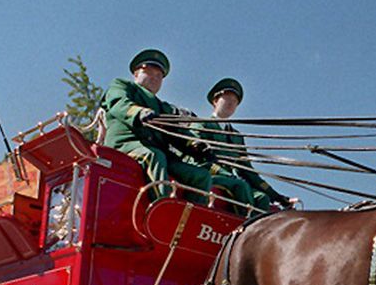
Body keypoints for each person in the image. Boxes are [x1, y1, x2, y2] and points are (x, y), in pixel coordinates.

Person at [100, 49, 213, 198]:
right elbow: (119, 104)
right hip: (126, 145)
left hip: (161, 155)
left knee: (201, 176)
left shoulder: (162, 107)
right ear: (136, 74)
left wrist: (194, 145)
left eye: (159, 76)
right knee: (154, 156)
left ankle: (191, 218)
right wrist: (138, 112)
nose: (154, 78)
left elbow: (177, 131)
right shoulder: (122, 86)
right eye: (150, 73)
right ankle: (161, 209)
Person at [192, 78, 292, 214]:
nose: (231, 103)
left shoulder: (237, 137)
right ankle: (243, 232)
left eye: (235, 101)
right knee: (241, 186)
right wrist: (225, 174)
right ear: (215, 101)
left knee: (262, 198)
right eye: (227, 98)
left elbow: (247, 170)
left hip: (234, 181)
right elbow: (196, 157)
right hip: (211, 176)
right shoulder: (202, 125)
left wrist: (276, 196)